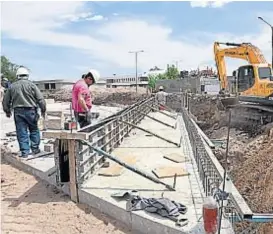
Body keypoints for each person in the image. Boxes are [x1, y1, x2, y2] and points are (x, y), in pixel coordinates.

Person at [2, 67, 46, 158]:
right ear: (27, 75)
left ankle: (24, 152)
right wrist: (43, 110)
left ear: (17, 75)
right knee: (34, 130)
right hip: (31, 111)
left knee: (21, 132)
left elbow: (5, 101)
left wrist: (7, 111)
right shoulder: (32, 85)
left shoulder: (12, 86)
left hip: (18, 112)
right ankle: (35, 149)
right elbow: (40, 99)